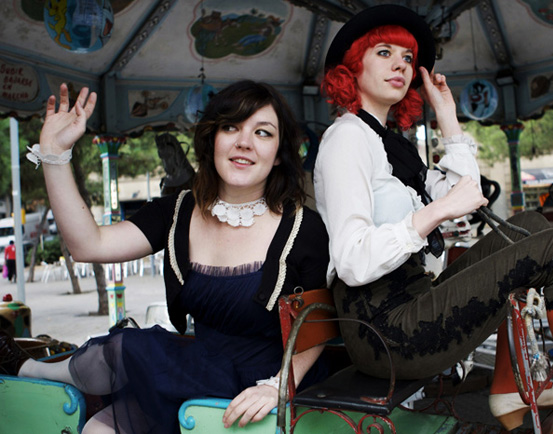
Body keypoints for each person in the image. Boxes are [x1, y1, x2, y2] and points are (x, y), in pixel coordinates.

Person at [313, 5, 553, 433]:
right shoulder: (346, 138)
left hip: (412, 302)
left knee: (531, 226)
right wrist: (437, 211)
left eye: (407, 58)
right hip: (383, 332)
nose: (400, 65)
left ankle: (509, 385)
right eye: (384, 53)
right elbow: (351, 260)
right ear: (352, 65)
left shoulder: (389, 144)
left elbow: (465, 193)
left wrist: (446, 115)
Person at [0, 80, 330, 433]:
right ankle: (30, 370)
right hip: (197, 375)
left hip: (271, 387)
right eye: (231, 126)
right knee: (97, 428)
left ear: (278, 153)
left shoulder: (304, 227)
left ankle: (31, 368)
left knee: (130, 347)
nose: (244, 142)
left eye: (263, 132)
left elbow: (320, 322)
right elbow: (88, 245)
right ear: (212, 139)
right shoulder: (177, 211)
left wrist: (278, 385)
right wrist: (54, 154)